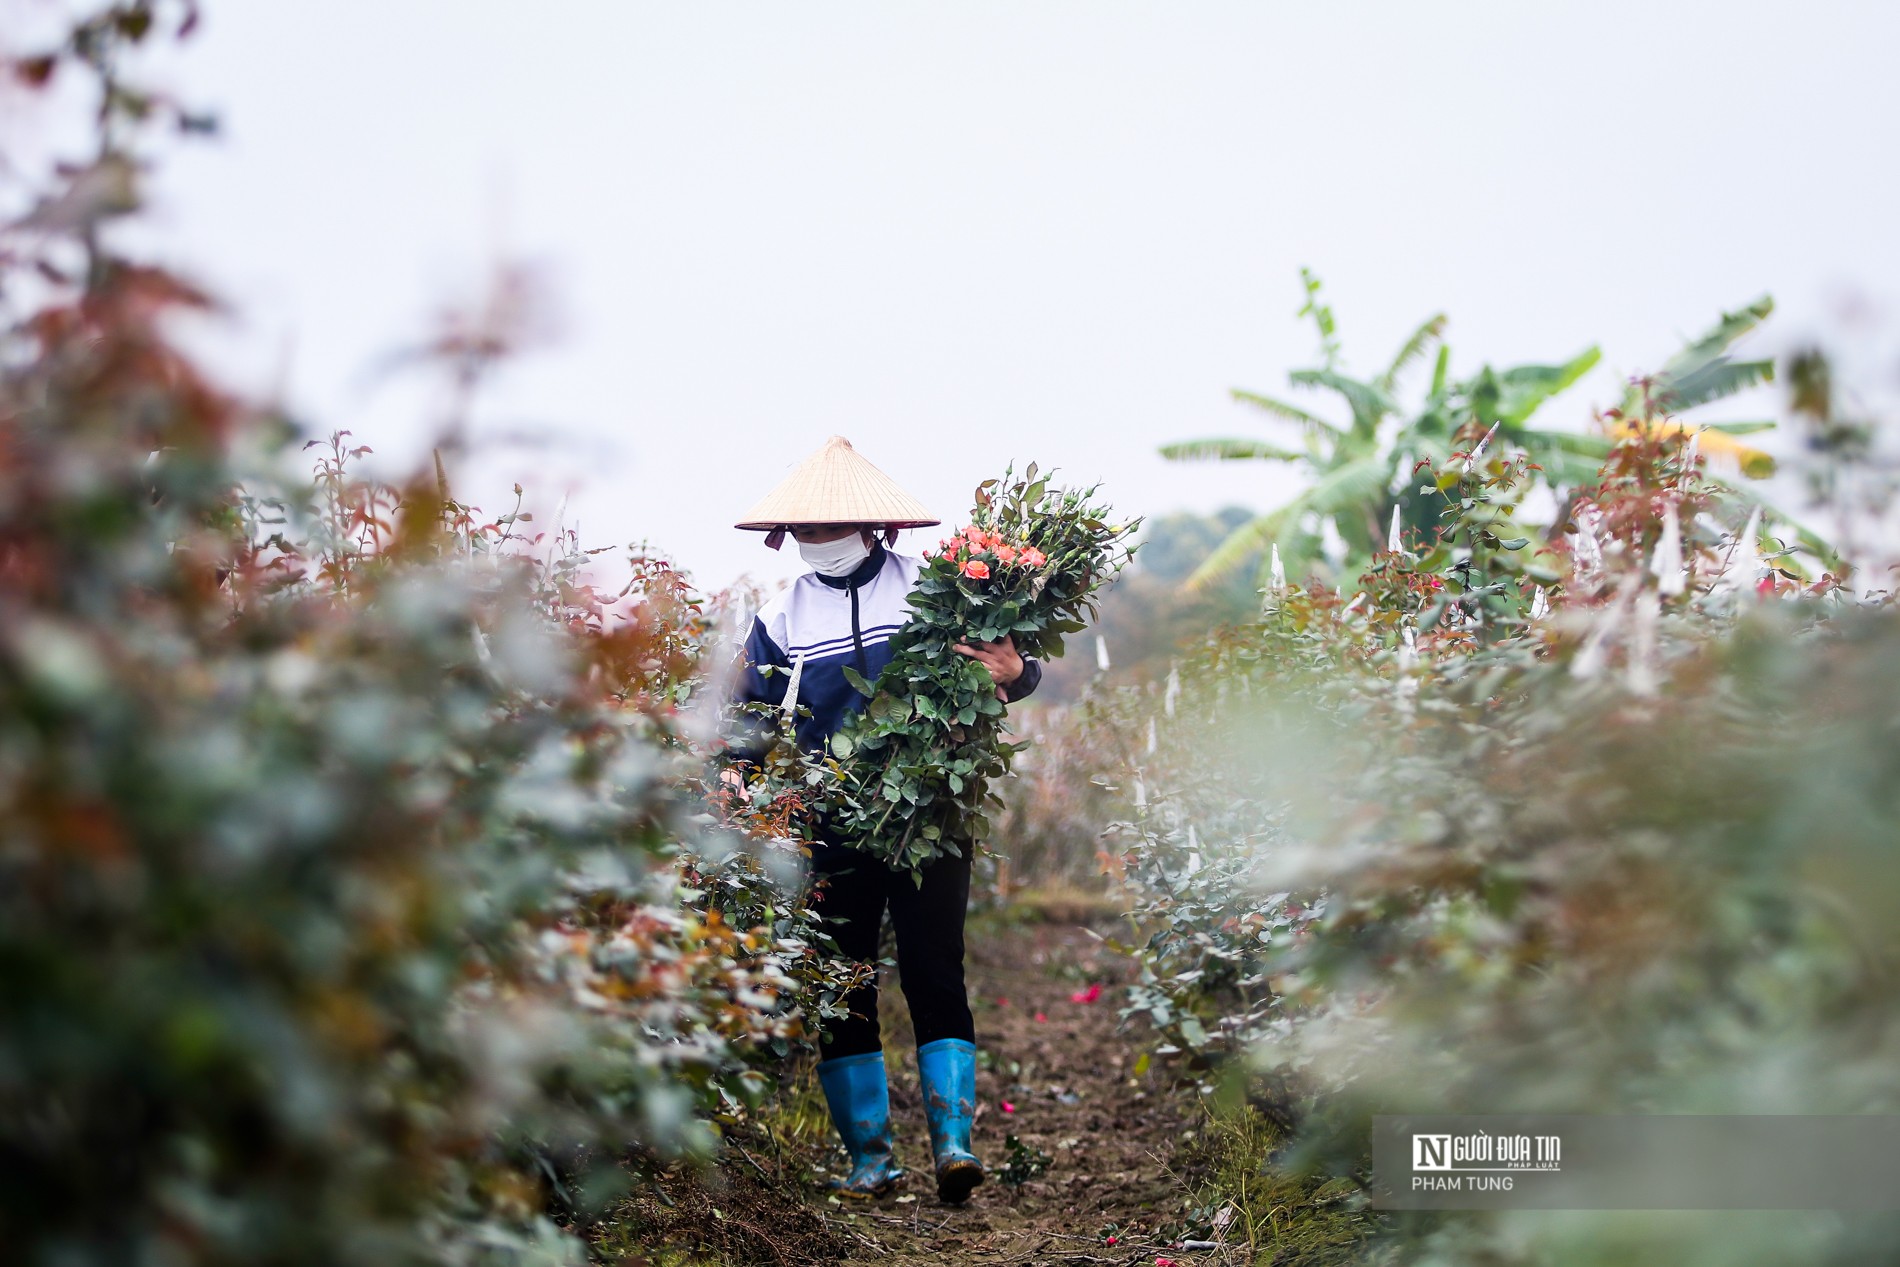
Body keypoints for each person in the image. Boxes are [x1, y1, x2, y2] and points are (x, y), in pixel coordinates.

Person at [725, 435, 1042, 1204]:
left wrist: (1020, 672)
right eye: (805, 534)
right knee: (845, 985)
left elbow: (1007, 668)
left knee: (936, 972)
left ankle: (954, 1146)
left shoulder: (932, 594)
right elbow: (746, 716)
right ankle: (871, 1159)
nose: (817, 545)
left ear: (871, 527)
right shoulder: (782, 616)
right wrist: (732, 773)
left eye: (829, 531)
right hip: (829, 826)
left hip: (930, 815)